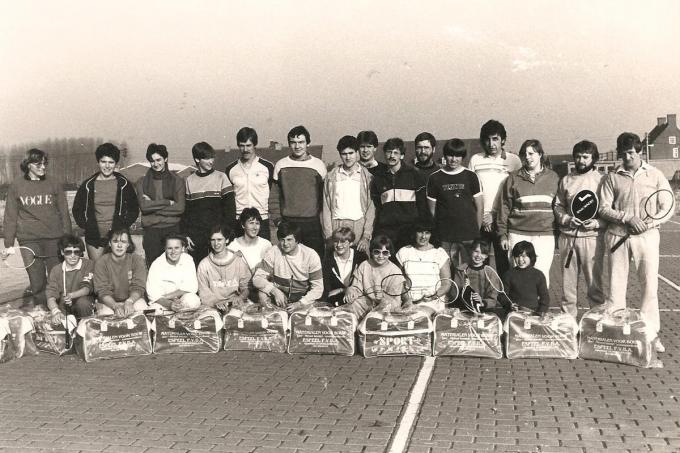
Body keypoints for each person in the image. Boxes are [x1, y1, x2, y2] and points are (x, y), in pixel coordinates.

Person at [598, 132, 673, 353]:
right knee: (615, 286)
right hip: (618, 236)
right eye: (623, 153)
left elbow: (667, 206)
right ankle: (615, 335)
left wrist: (649, 224)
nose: (627, 157)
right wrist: (627, 217)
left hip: (647, 237)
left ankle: (651, 335)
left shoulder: (655, 175)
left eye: (631, 152)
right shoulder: (611, 177)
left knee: (649, 285)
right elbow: (603, 207)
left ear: (639, 151)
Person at [2, 148, 72, 308]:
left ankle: (62, 312)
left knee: (58, 278)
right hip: (29, 241)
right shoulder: (16, 186)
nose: (43, 167)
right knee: (37, 280)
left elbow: (64, 213)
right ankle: (43, 314)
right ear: (27, 165)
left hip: (54, 239)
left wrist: (68, 239)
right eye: (38, 164)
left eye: (44, 164)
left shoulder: (54, 183)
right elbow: (10, 217)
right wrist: (8, 244)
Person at [553, 140, 606, 318]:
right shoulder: (566, 180)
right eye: (577, 157)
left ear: (593, 158)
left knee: (594, 285)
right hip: (568, 237)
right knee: (568, 288)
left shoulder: (601, 180)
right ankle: (569, 324)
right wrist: (567, 219)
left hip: (592, 238)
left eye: (585, 157)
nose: (581, 160)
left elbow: (608, 209)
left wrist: (598, 223)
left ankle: (596, 324)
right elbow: (558, 206)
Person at [497, 139, 559, 287]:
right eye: (524, 154)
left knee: (541, 274)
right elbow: (504, 207)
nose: (528, 157)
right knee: (518, 275)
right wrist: (502, 234)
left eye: (532, 153)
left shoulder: (553, 177)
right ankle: (518, 309)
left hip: (544, 234)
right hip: (517, 233)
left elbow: (559, 206)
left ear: (540, 155)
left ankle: (540, 309)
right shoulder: (513, 178)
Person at [468, 120, 522, 277]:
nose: (491, 144)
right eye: (487, 139)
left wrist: (494, 215)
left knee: (504, 261)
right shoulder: (475, 159)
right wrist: (483, 216)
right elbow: (473, 192)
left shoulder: (513, 160)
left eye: (495, 139)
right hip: (481, 220)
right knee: (479, 260)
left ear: (503, 140)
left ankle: (505, 297)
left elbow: (514, 193)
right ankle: (481, 297)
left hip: (502, 220)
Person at [72, 143, 139, 261]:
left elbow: (134, 209)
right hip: (94, 237)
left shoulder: (124, 184)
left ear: (116, 164)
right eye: (103, 162)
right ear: (98, 162)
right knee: (97, 271)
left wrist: (123, 225)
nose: (107, 166)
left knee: (117, 273)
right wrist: (87, 225)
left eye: (111, 162)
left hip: (117, 236)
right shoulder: (88, 185)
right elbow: (77, 209)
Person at [271, 126, 327, 257]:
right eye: (293, 142)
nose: (297, 146)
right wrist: (278, 220)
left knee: (314, 259)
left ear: (308, 143)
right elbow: (274, 196)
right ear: (289, 144)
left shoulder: (318, 165)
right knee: (289, 259)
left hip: (312, 223)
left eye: (301, 142)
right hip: (288, 222)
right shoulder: (280, 165)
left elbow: (324, 197)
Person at [427, 138, 483, 267]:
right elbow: (432, 210)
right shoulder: (435, 178)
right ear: (445, 155)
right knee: (445, 270)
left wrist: (476, 231)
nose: (453, 159)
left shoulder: (471, 176)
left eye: (457, 155)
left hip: (468, 235)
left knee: (465, 271)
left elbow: (480, 207)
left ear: (462, 156)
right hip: (445, 236)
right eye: (450, 155)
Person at [181, 141, 235, 266]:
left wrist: (226, 233)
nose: (211, 161)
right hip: (197, 239)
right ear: (197, 159)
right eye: (206, 158)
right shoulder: (189, 180)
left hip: (217, 237)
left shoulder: (221, 177)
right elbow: (186, 212)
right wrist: (186, 235)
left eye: (212, 157)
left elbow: (230, 210)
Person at [252, 221, 323, 314]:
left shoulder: (310, 255)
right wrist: (274, 291)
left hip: (302, 299)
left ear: (297, 240)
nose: (285, 244)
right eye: (282, 239)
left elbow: (318, 288)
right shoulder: (273, 251)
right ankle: (271, 322)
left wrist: (300, 303)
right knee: (262, 294)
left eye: (289, 240)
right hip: (279, 297)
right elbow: (257, 278)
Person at [371, 137, 428, 251]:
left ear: (402, 155)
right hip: (386, 232)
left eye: (396, 153)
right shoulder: (378, 179)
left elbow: (422, 206)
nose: (392, 156)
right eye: (389, 152)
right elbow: (377, 207)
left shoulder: (415, 175)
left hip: (409, 231)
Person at [135, 143, 186, 267]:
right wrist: (167, 202)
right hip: (151, 231)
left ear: (166, 159)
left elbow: (180, 208)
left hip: (172, 229)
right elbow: (144, 207)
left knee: (173, 266)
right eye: (152, 161)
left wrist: (152, 208)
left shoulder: (177, 180)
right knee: (153, 267)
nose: (155, 164)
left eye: (158, 160)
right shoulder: (142, 182)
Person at [322, 135, 375, 252]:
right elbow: (326, 208)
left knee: (360, 264)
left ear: (357, 153)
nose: (348, 157)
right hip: (337, 225)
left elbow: (371, 208)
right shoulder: (331, 176)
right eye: (344, 154)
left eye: (351, 153)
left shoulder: (368, 177)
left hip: (358, 226)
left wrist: (366, 236)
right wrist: (329, 235)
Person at [341, 234, 408, 321]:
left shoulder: (395, 271)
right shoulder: (365, 265)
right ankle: (352, 329)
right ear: (372, 252)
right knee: (353, 305)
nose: (380, 256)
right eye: (377, 252)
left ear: (390, 254)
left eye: (385, 253)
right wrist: (351, 290)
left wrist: (382, 303)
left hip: (388, 306)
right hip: (368, 302)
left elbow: (394, 299)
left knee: (382, 315)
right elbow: (357, 287)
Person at [224, 127, 274, 240]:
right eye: (242, 145)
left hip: (261, 220)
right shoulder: (231, 169)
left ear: (255, 145)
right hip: (239, 220)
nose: (245, 149)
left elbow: (272, 193)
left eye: (248, 145)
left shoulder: (267, 167)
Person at [395, 221, 451, 315]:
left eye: (427, 233)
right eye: (420, 232)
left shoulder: (439, 253)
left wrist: (433, 297)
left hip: (433, 303)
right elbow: (397, 281)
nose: (423, 236)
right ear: (414, 232)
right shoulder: (404, 252)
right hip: (409, 303)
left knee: (419, 316)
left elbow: (446, 284)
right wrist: (407, 300)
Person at [93, 227, 147, 317]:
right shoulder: (101, 262)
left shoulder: (136, 259)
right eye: (115, 241)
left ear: (128, 244)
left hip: (132, 299)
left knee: (142, 310)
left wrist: (129, 301)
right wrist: (115, 306)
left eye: (123, 242)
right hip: (109, 302)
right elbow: (102, 290)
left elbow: (139, 286)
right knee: (107, 316)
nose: (119, 245)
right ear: (110, 243)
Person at [197, 224, 251, 312]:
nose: (216, 243)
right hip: (213, 305)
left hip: (235, 304)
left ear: (227, 240)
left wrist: (240, 297)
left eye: (219, 239)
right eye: (213, 240)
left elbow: (247, 286)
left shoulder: (238, 260)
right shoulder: (204, 264)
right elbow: (203, 291)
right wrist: (216, 302)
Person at [145, 234, 200, 314]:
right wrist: (170, 304)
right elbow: (153, 295)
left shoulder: (188, 259)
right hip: (163, 302)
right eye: (170, 248)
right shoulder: (156, 264)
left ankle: (183, 323)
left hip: (182, 299)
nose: (173, 252)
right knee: (155, 310)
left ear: (182, 248)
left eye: (177, 248)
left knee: (193, 300)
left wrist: (171, 297)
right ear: (165, 249)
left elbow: (192, 287)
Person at [45, 234, 94, 322]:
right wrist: (56, 311)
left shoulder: (88, 264)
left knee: (83, 303)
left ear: (81, 253)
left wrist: (72, 295)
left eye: (76, 252)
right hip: (65, 305)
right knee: (58, 310)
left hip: (83, 303)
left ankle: (86, 328)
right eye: (68, 252)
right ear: (62, 252)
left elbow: (86, 288)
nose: (72, 255)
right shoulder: (56, 270)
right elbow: (50, 296)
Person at [452, 239, 502, 316]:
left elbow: (493, 298)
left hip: (484, 312)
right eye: (476, 251)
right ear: (470, 251)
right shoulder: (461, 270)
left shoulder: (490, 272)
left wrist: (482, 301)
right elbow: (454, 294)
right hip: (463, 310)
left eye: (483, 253)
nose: (479, 255)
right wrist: (464, 288)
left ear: (486, 256)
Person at [321, 227, 367, 307]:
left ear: (351, 243)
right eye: (336, 241)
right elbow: (327, 291)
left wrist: (350, 291)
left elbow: (365, 284)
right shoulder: (328, 259)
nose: (339, 245)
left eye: (343, 242)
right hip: (334, 303)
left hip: (357, 301)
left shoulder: (361, 257)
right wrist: (343, 290)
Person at [502, 241, 550, 315]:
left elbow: (545, 298)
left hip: (533, 313)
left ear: (531, 257)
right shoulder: (508, 274)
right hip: (514, 313)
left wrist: (541, 312)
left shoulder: (539, 275)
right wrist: (509, 305)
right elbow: (503, 296)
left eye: (524, 256)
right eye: (517, 256)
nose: (520, 259)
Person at [227, 208, 273, 273]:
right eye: (251, 223)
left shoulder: (266, 244)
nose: (254, 227)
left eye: (257, 223)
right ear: (243, 225)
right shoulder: (233, 246)